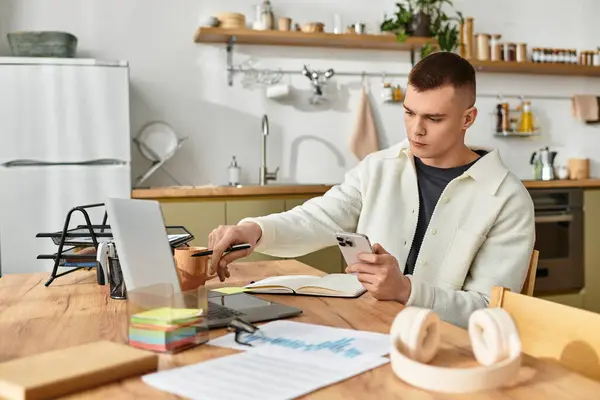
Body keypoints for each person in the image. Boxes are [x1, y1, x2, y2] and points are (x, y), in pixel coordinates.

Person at [207, 52, 535, 328]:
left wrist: (405, 289)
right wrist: (254, 230)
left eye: (434, 118)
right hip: (365, 327)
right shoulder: (378, 167)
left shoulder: (507, 199)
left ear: (468, 118)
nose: (416, 129)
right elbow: (319, 218)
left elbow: (490, 311)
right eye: (409, 113)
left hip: (449, 349)